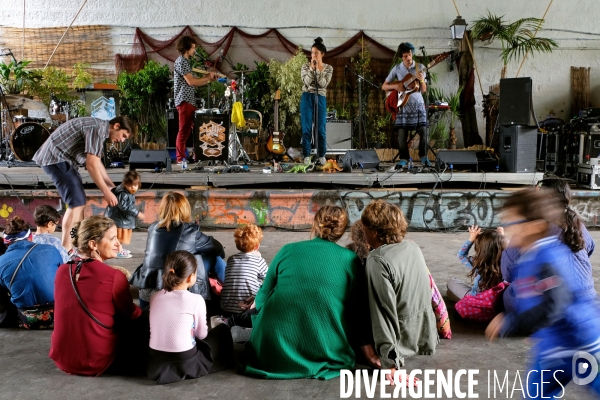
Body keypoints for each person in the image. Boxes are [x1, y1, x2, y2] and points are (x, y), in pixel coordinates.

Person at [486, 188, 600, 397]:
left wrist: (513, 323)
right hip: (552, 347)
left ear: (534, 226)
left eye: (512, 222)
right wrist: (536, 329)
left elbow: (555, 304)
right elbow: (536, 300)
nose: (507, 228)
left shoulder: (548, 257)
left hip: (581, 344)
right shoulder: (527, 256)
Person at [242, 205, 368, 380]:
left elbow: (262, 297)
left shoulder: (288, 250)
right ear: (342, 231)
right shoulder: (350, 260)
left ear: (315, 224)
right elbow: (355, 311)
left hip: (271, 349)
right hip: (325, 346)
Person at [49, 215, 146, 376]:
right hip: (96, 361)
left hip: (62, 358)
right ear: (93, 244)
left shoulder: (62, 271)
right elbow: (131, 314)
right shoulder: (114, 276)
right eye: (112, 238)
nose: (118, 243)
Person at [360, 200, 438, 385]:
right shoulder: (412, 247)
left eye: (365, 229)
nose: (363, 233)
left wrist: (390, 364)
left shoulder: (377, 260)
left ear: (375, 232)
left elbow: (383, 313)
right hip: (421, 337)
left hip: (398, 343)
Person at [32, 116, 134, 253]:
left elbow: (96, 162)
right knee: (76, 204)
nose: (122, 140)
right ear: (116, 126)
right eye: (123, 135)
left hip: (63, 160)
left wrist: (111, 186)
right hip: (55, 158)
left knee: (80, 203)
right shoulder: (97, 129)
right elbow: (91, 165)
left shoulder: (100, 128)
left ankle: (77, 245)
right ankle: (66, 250)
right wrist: (106, 192)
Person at [502, 178, 595, 314]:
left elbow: (508, 272)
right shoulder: (577, 223)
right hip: (587, 299)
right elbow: (590, 248)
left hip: (554, 312)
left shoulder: (531, 229)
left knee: (507, 292)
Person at [147, 250, 233, 384]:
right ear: (190, 277)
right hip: (184, 357)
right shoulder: (196, 299)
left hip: (156, 358)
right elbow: (201, 335)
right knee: (223, 331)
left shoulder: (154, 297)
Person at [130, 191, 226, 309]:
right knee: (211, 257)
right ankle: (232, 291)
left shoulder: (152, 228)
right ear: (185, 209)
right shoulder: (190, 232)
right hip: (175, 294)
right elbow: (218, 249)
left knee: (188, 255)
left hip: (146, 295)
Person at [0, 216, 62, 329]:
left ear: (6, 242)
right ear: (30, 237)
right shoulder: (50, 249)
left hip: (28, 319)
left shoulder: (1, 261)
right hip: (59, 314)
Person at [382, 42, 429, 167]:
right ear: (401, 57)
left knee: (424, 131)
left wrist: (422, 80)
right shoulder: (397, 69)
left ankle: (423, 156)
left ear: (412, 53)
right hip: (403, 106)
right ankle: (404, 158)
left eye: (409, 54)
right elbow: (384, 86)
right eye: (405, 56)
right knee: (402, 135)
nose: (408, 58)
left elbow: (423, 90)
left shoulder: (420, 67)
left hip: (418, 105)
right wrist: (396, 86)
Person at [174, 35, 218, 164]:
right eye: (193, 48)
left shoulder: (186, 62)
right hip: (184, 101)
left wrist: (208, 79)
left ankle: (197, 156)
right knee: (183, 131)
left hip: (189, 101)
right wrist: (208, 79)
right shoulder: (181, 61)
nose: (194, 50)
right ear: (186, 48)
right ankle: (180, 158)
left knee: (198, 128)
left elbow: (195, 82)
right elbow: (192, 81)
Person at [218, 223, 268, 328]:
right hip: (245, 311)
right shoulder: (258, 260)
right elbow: (269, 280)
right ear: (257, 246)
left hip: (226, 309)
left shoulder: (231, 259)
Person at [447, 225, 505, 301]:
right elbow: (513, 253)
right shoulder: (507, 262)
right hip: (498, 301)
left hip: (477, 299)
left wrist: (471, 239)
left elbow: (461, 255)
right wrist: (502, 239)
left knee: (452, 282)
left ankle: (465, 303)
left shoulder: (478, 262)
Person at [300, 37, 333, 165]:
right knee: (306, 127)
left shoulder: (329, 68)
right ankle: (307, 155)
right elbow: (306, 82)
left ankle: (321, 156)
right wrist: (312, 69)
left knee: (321, 128)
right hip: (307, 96)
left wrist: (318, 71)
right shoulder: (305, 67)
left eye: (316, 53)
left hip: (320, 97)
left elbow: (324, 83)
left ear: (322, 54)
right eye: (312, 52)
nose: (313, 55)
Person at [104, 171, 145, 259]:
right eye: (130, 185)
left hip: (121, 219)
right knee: (119, 237)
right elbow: (124, 207)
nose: (133, 188)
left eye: (135, 185)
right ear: (125, 184)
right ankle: (118, 251)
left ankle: (119, 249)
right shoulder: (123, 194)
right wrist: (137, 213)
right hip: (119, 220)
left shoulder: (128, 192)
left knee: (120, 237)